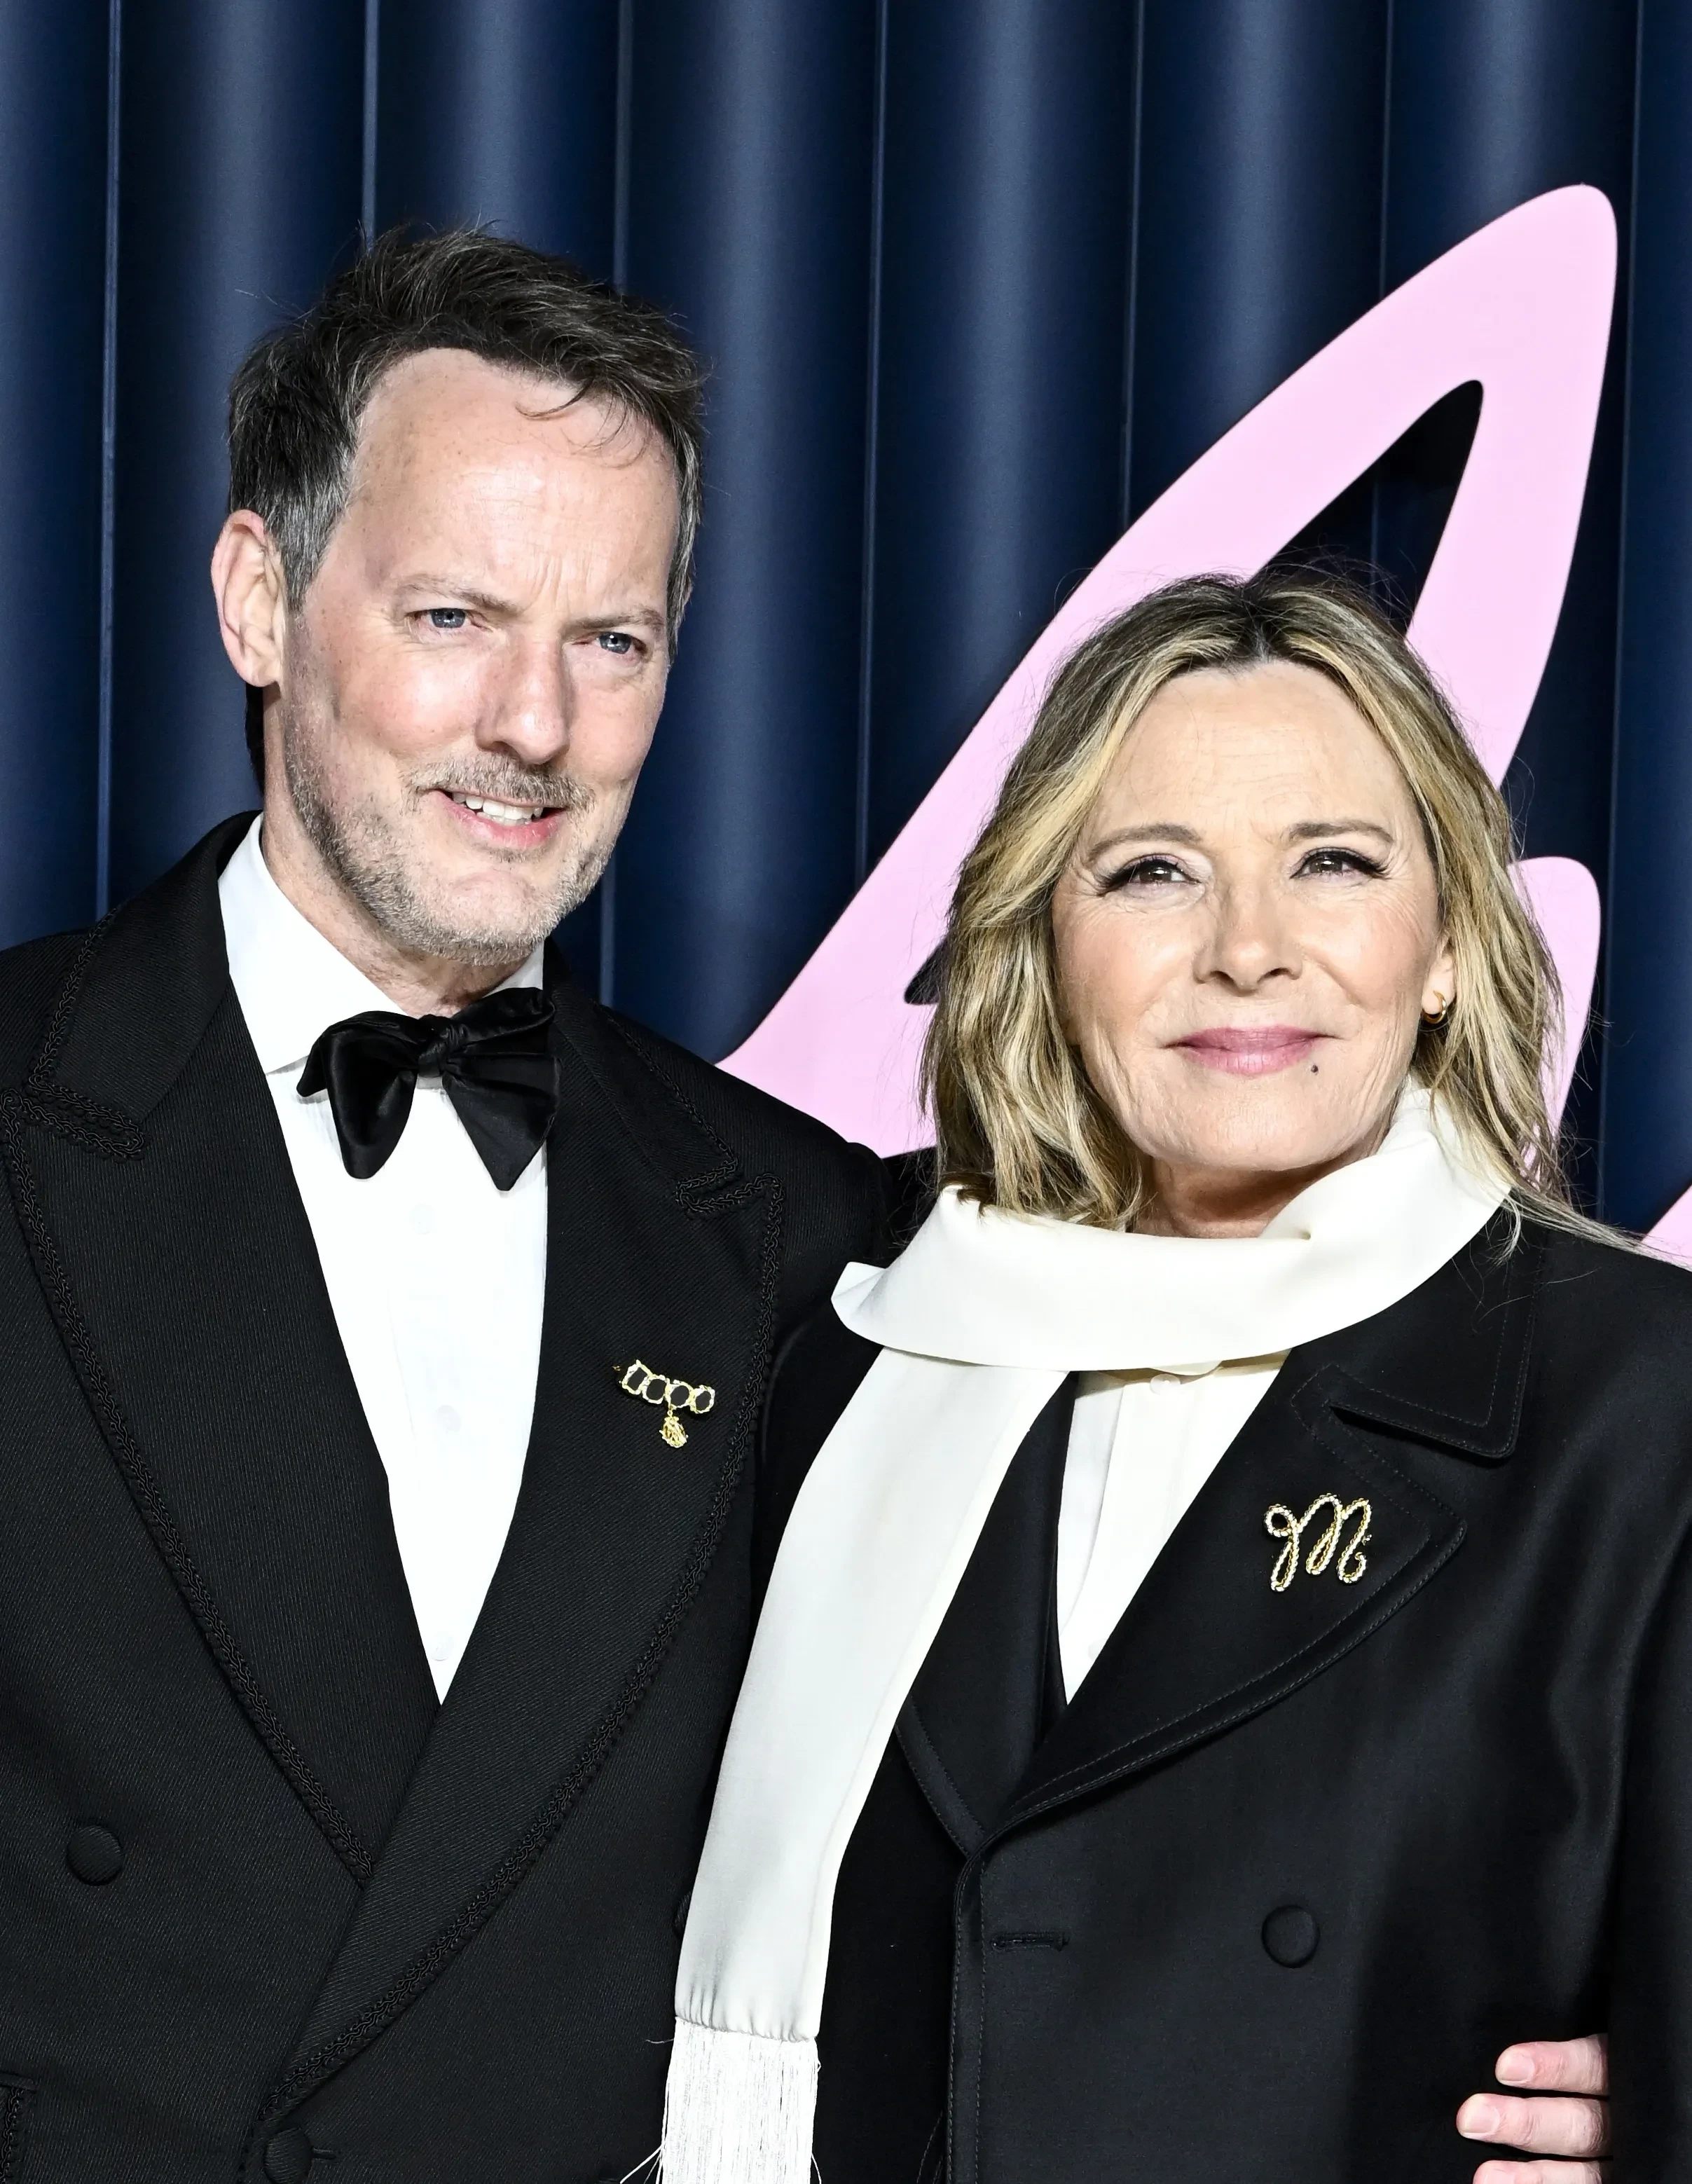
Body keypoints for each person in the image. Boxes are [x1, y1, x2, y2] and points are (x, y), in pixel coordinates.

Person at [0, 228, 887, 2182]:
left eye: (612, 641)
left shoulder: (799, 1234)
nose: (535, 725)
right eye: (454, 615)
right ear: (260, 598)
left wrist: (1515, 2038)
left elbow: (1010, 1838)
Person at [658, 571, 1692, 2184]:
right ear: (1047, 943)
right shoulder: (860, 1362)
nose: (1246, 952)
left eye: (1332, 863)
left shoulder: (1641, 1404)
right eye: (1154, 872)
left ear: (1443, 944)